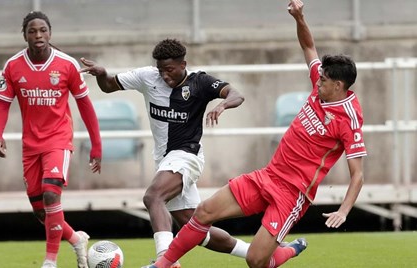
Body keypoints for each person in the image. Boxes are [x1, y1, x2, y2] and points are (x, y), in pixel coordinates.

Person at [145, 0, 368, 267]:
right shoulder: (320, 86)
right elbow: (309, 47)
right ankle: (161, 265)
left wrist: (344, 211)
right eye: (318, 77)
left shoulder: (349, 119)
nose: (316, 81)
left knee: (256, 260)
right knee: (204, 212)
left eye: (322, 80)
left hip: (292, 193)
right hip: (268, 175)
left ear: (338, 85)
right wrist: (299, 18)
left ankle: (289, 251)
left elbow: (358, 174)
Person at [80, 38, 249, 266]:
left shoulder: (200, 82)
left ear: (183, 64)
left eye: (169, 70)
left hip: (188, 156)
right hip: (165, 161)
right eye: (161, 70)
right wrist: (102, 74)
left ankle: (165, 260)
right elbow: (109, 85)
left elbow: (236, 94)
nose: (165, 76)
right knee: (197, 230)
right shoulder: (147, 77)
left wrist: (222, 105)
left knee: (153, 196)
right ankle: (256, 251)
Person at [0, 11, 102, 268]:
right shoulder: (12, 66)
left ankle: (50, 262)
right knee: (42, 211)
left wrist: (96, 145)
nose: (38, 35)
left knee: (52, 195)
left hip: (58, 139)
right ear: (25, 35)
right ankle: (76, 239)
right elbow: (2, 105)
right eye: (32, 31)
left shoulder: (67, 64)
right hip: (31, 144)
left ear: (50, 33)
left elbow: (85, 106)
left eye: (43, 30)